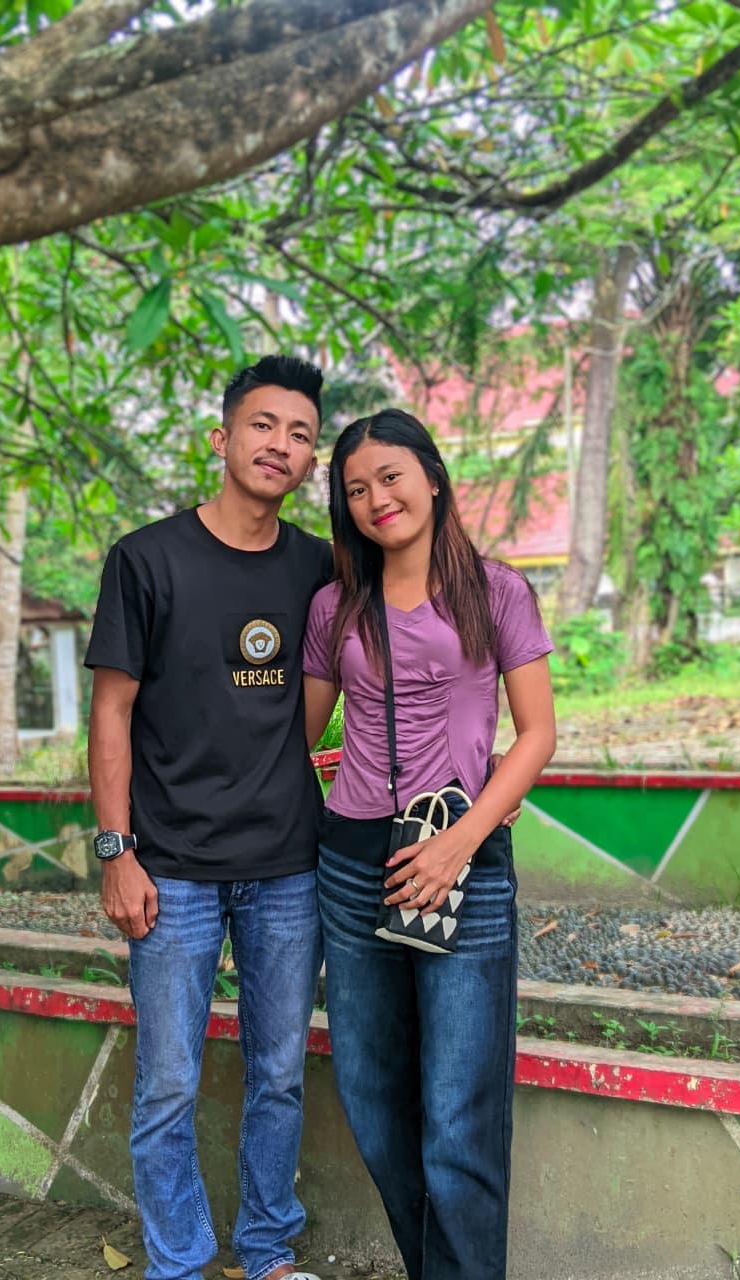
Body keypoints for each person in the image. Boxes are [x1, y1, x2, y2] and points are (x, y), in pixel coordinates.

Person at [84, 355, 332, 1280]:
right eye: (263, 425)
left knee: (279, 1074)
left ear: (311, 462)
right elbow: (111, 711)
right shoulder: (146, 559)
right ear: (221, 437)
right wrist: (116, 851)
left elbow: (348, 677)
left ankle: (266, 1251)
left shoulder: (318, 566)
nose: (280, 445)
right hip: (171, 867)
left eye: (300, 435)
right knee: (168, 1084)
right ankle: (179, 1264)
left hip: (288, 865)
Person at [302, 408, 556, 1280]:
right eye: (356, 489)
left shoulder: (496, 591)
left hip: (462, 865)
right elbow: (296, 733)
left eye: (391, 476)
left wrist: (462, 840)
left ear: (434, 478)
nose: (377, 498)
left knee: (458, 1113)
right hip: (352, 866)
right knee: (373, 1099)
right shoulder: (336, 605)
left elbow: (536, 734)